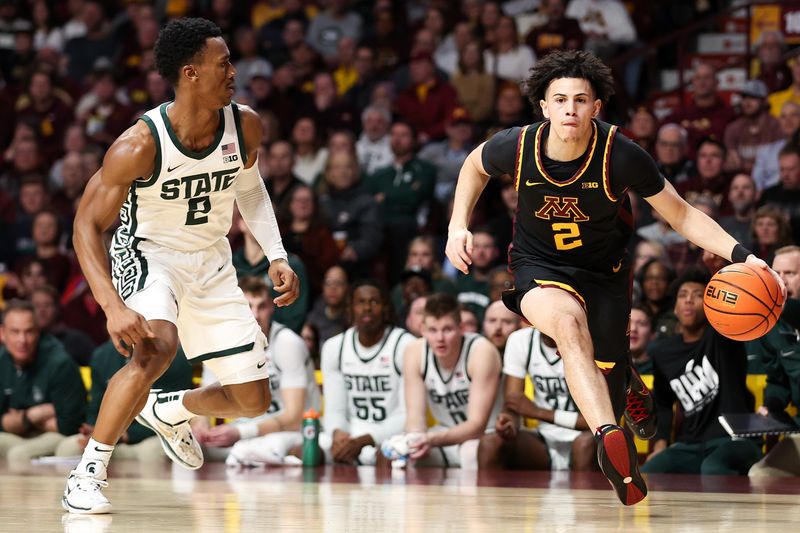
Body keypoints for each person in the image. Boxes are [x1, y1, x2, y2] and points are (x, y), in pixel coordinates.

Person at [444, 49, 783, 506]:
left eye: (580, 100)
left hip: (605, 274)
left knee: (608, 369)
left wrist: (743, 255)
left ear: (595, 107)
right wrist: (457, 225)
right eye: (559, 99)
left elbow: (680, 215)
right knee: (567, 327)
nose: (570, 109)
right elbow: (474, 165)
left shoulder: (620, 154)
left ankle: (624, 382)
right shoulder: (517, 144)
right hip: (538, 266)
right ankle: (610, 440)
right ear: (543, 106)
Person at [62, 18, 299, 515]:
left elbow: (250, 190)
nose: (234, 71)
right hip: (149, 254)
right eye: (223, 63)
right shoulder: (139, 144)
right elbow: (85, 226)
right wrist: (110, 305)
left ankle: (168, 409)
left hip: (213, 262)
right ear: (190, 74)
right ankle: (88, 472)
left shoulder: (246, 124)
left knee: (253, 400)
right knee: (156, 351)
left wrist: (276, 253)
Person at [642, 269, 762, 476]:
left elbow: (734, 305)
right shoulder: (662, 352)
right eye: (683, 295)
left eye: (698, 295)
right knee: (651, 471)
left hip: (736, 440)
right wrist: (661, 443)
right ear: (675, 308)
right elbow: (662, 404)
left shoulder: (723, 337)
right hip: (690, 445)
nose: (689, 300)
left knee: (713, 469)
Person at [201, 276, 320, 466]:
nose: (255, 315)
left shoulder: (287, 342)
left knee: (257, 448)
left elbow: (294, 417)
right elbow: (203, 404)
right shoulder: (220, 345)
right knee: (188, 449)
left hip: (287, 433)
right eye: (248, 306)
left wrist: (242, 433)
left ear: (272, 308)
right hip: (244, 432)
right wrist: (202, 429)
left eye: (261, 306)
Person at [398, 293, 502, 468]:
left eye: (447, 329)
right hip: (442, 432)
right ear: (422, 329)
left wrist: (431, 439)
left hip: (483, 436)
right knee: (407, 456)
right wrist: (415, 440)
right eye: (432, 330)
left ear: (461, 328)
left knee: (471, 454)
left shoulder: (482, 352)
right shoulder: (414, 352)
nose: (440, 338)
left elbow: (476, 425)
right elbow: (415, 417)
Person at [318, 280, 414, 465]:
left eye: (374, 302)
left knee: (386, 454)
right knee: (308, 448)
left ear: (385, 308)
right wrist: (338, 433)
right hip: (349, 434)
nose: (367, 308)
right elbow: (334, 409)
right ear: (351, 309)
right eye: (360, 302)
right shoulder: (334, 347)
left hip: (389, 435)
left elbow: (406, 415)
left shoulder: (405, 345)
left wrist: (365, 440)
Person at [478, 327, 597, 471]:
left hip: (586, 436)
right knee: (490, 444)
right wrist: (509, 424)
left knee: (585, 445)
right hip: (542, 438)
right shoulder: (521, 340)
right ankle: (487, 494)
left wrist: (538, 412)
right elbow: (513, 405)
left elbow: (599, 421)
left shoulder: (592, 340)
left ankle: (585, 493)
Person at [0, 299, 86, 462]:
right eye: (15, 332)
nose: (22, 340)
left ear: (38, 332)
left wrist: (18, 419)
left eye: (29, 331)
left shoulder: (60, 363)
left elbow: (69, 425)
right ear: (3, 334)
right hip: (21, 434)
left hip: (56, 435)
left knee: (18, 454)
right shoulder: (1, 360)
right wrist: (35, 414)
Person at [748, 245, 800, 476]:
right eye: (776, 274)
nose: (782, 281)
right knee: (761, 475)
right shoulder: (775, 325)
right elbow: (779, 380)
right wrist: (772, 405)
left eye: (789, 273)